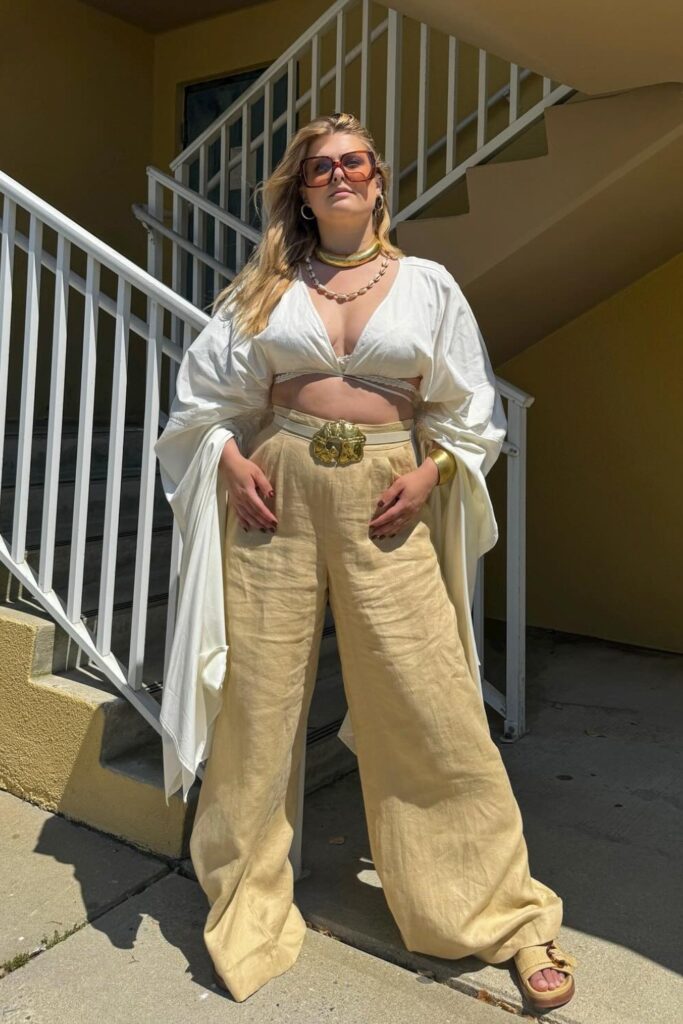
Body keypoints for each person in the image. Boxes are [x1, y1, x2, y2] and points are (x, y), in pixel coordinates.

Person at [153, 112, 578, 1012]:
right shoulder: (261, 290)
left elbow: (470, 410)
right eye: (319, 168)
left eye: (354, 162)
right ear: (301, 193)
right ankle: (247, 896)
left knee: (430, 701)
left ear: (379, 182)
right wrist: (226, 457)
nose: (339, 176)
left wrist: (436, 472)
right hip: (275, 494)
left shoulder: (427, 285)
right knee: (257, 706)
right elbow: (205, 399)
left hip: (390, 498)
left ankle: (495, 911)